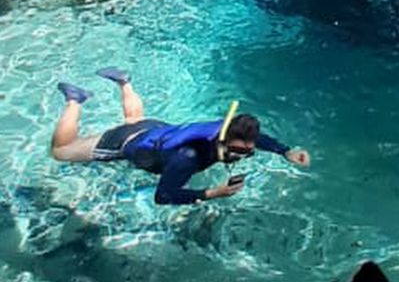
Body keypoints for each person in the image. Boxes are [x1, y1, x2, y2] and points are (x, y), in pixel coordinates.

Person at [50, 67, 311, 205]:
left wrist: (285, 151)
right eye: (239, 152)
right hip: (126, 141)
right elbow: (163, 196)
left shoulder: (228, 127)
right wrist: (213, 193)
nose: (243, 156)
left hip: (156, 130)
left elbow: (258, 139)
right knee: (62, 151)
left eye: (248, 151)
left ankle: (124, 82)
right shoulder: (187, 158)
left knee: (135, 120)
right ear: (223, 140)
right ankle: (75, 100)